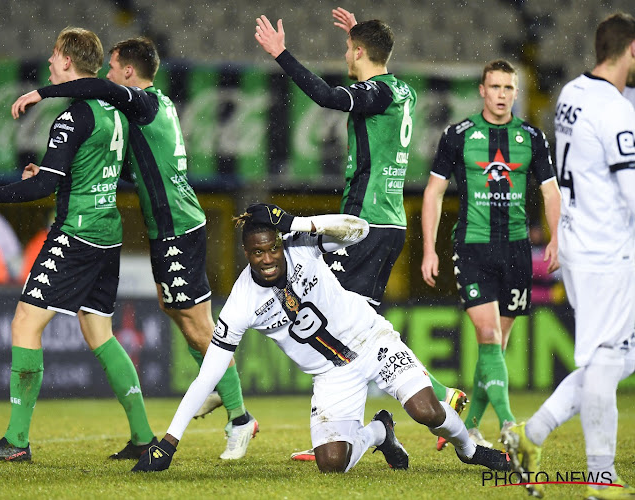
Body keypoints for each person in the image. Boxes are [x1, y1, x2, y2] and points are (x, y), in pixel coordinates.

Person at [11, 36, 257, 460]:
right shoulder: (152, 108)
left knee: (201, 327)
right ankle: (215, 388)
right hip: (169, 228)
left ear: (129, 72)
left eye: (112, 66)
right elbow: (134, 172)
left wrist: (42, 92)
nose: (107, 73)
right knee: (175, 310)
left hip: (179, 227)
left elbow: (99, 89)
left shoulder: (142, 102)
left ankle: (239, 418)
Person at [130, 203, 511, 474]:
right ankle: (381, 431)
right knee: (332, 464)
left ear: (281, 242)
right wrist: (169, 442)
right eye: (257, 252)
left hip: (371, 340)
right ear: (246, 254)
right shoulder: (240, 304)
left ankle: (469, 448)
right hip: (332, 376)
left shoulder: (302, 244)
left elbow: (360, 229)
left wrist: (300, 221)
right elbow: (208, 375)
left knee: (426, 411)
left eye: (273, 248)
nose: (268, 258)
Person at [255, 7, 468, 462]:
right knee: (354, 325)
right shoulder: (403, 88)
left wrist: (282, 54)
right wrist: (359, 32)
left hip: (361, 223)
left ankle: (352, 424)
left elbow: (329, 97)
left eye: (348, 50)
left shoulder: (377, 92)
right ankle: (363, 427)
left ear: (358, 52)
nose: (345, 57)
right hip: (390, 221)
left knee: (324, 313)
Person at [0, 26, 156, 462]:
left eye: (53, 55)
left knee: (25, 324)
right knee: (99, 331)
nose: (49, 62)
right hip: (107, 233)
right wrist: (51, 181)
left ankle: (16, 441)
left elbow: (39, 190)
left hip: (77, 234)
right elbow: (92, 174)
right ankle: (143, 436)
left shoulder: (74, 115)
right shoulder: (114, 111)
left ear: (67, 60)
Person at [502, 13, 635, 499]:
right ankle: (601, 477)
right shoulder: (617, 113)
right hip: (606, 251)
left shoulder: (573, 94)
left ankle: (529, 435)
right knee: (605, 360)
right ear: (631, 51)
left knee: (621, 357)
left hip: (580, 240)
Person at [421, 59, 561, 450]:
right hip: (473, 245)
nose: (501, 95)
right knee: (488, 333)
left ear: (515, 93)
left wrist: (555, 238)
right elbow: (433, 192)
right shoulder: (458, 135)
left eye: (508, 88)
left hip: (517, 250)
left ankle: (470, 426)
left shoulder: (531, 137)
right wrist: (429, 249)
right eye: (494, 87)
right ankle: (510, 424)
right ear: (481, 90)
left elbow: (551, 191)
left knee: (494, 349)